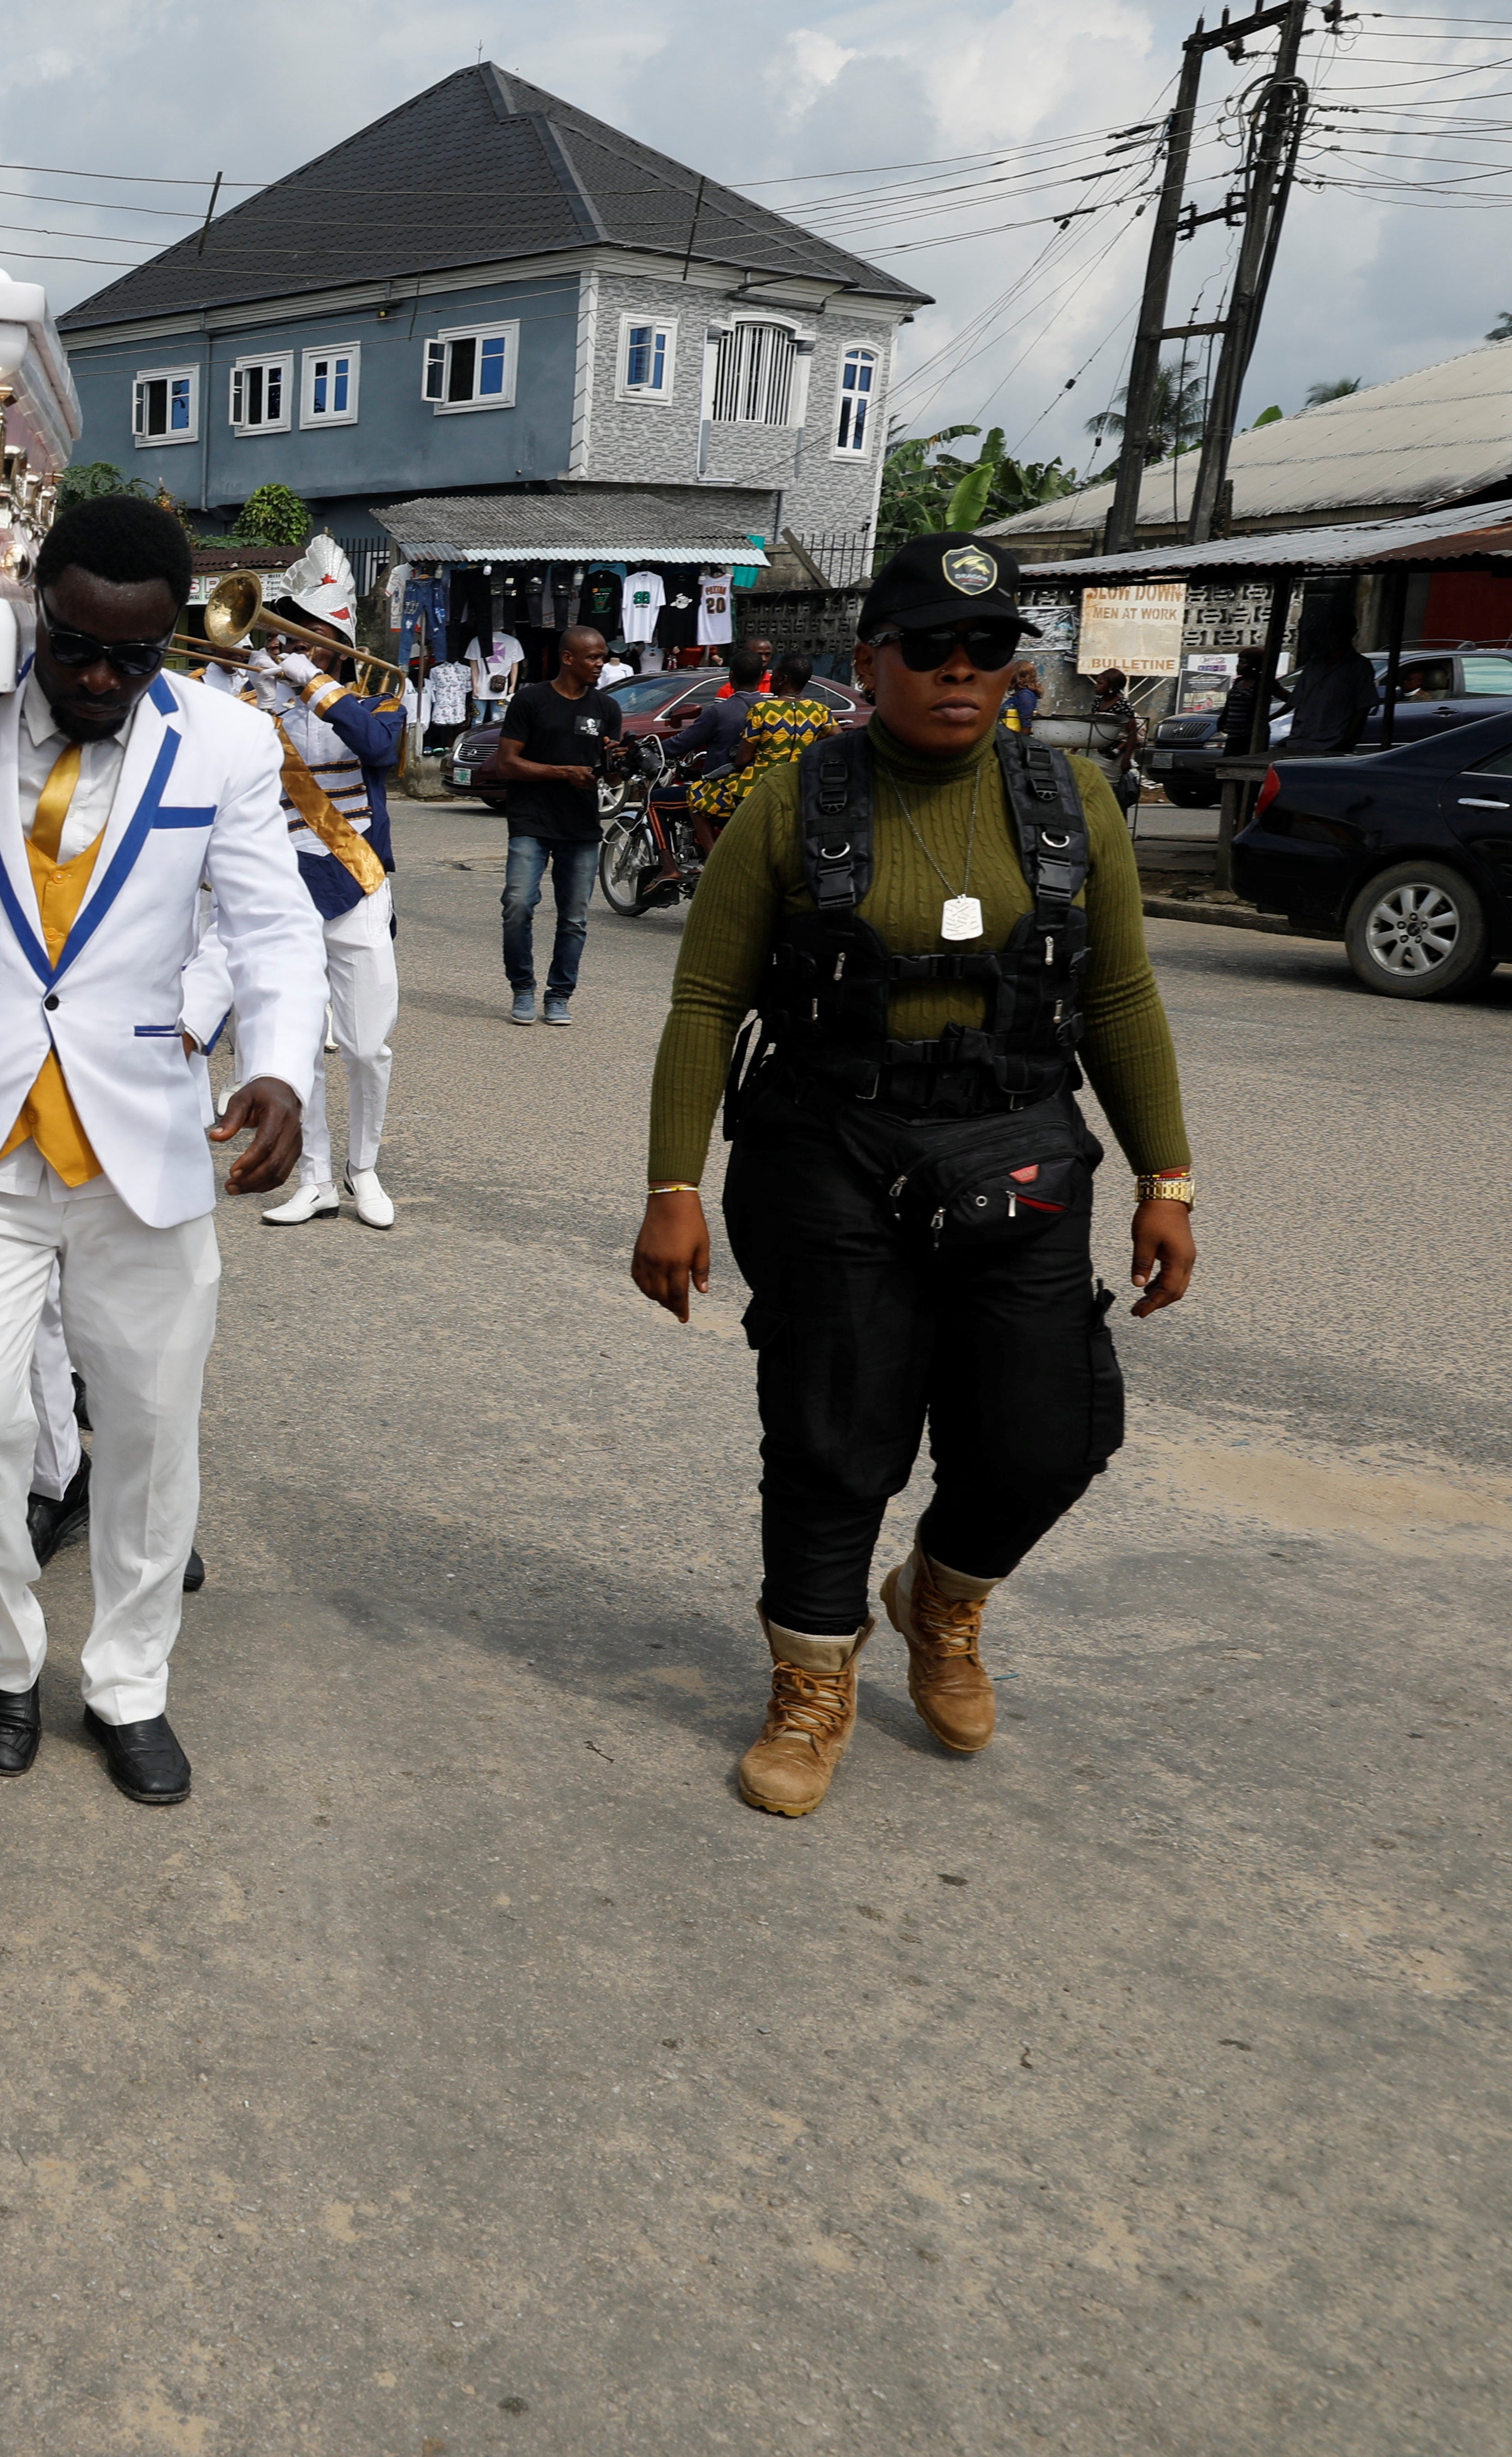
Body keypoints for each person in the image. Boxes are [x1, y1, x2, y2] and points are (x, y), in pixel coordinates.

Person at [628, 531, 1196, 1820]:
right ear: (869, 661)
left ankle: (944, 1598)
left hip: (1021, 1145)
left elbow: (1118, 994)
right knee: (836, 1436)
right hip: (831, 1151)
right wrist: (672, 1184)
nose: (959, 670)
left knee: (1051, 1431)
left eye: (987, 649)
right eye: (929, 647)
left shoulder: (1072, 802)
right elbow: (706, 1001)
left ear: (1013, 670)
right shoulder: (793, 802)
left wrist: (1171, 1177)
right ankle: (812, 1684)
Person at [0, 494, 325, 1805]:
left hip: (141, 1153)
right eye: (77, 648)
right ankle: (3, 1660)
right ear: (37, 608)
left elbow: (274, 929)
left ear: (173, 640)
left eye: (135, 656)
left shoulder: (226, 742)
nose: (103, 676)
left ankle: (129, 1685)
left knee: (155, 1435)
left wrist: (277, 1064)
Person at [250, 646, 409, 1230]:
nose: (298, 648)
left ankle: (362, 1167)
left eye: (317, 636)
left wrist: (313, 683)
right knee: (300, 1048)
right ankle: (315, 1178)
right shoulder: (256, 706)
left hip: (358, 887)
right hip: (286, 892)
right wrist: (264, 702)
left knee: (367, 1046)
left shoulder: (379, 698)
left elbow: (378, 747)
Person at [488, 624, 621, 1026]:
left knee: (575, 917)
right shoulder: (531, 700)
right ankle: (523, 988)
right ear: (569, 658)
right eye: (593, 657)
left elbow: (611, 779)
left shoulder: (607, 710)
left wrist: (617, 763)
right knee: (518, 904)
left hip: (581, 826)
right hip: (531, 820)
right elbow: (507, 762)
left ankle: (559, 995)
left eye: (602, 656)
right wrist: (562, 772)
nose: (601, 664)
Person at [687, 650, 837, 832]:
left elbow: (742, 761)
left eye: (774, 675)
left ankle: (713, 858)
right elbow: (839, 740)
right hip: (800, 785)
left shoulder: (763, 711)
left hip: (758, 787)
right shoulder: (820, 711)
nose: (770, 679)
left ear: (782, 679)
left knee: (696, 795)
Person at [1281, 626, 1378, 757]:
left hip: (1333, 740)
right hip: (1301, 738)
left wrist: (1346, 740)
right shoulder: (1314, 665)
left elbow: (1363, 707)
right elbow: (1297, 701)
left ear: (1352, 633)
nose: (1334, 636)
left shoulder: (1359, 666)